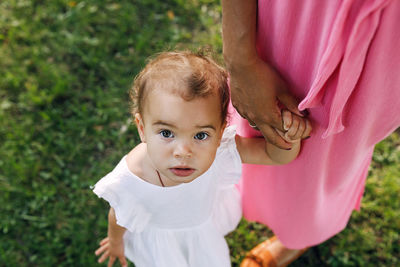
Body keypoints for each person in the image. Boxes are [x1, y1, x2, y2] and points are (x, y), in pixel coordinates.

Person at [92, 51, 312, 267]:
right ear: (142, 128)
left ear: (219, 132)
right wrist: (115, 241)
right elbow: (118, 215)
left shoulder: (219, 151)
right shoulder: (131, 177)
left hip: (202, 236)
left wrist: (288, 136)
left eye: (200, 135)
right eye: (167, 133)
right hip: (162, 244)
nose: (183, 152)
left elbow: (273, 155)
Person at [221, 0, 400, 266]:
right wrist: (241, 60)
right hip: (301, 13)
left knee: (331, 155)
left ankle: (301, 230)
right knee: (261, 120)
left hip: (388, 35)